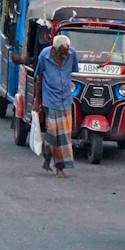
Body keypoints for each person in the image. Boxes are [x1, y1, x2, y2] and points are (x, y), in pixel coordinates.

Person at [33, 34, 78, 177]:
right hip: (50, 100)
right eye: (60, 54)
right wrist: (36, 100)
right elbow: (38, 77)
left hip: (65, 100)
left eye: (65, 54)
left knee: (63, 137)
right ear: (54, 50)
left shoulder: (72, 54)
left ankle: (60, 168)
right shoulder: (44, 56)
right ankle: (47, 159)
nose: (63, 57)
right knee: (52, 133)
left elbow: (74, 72)